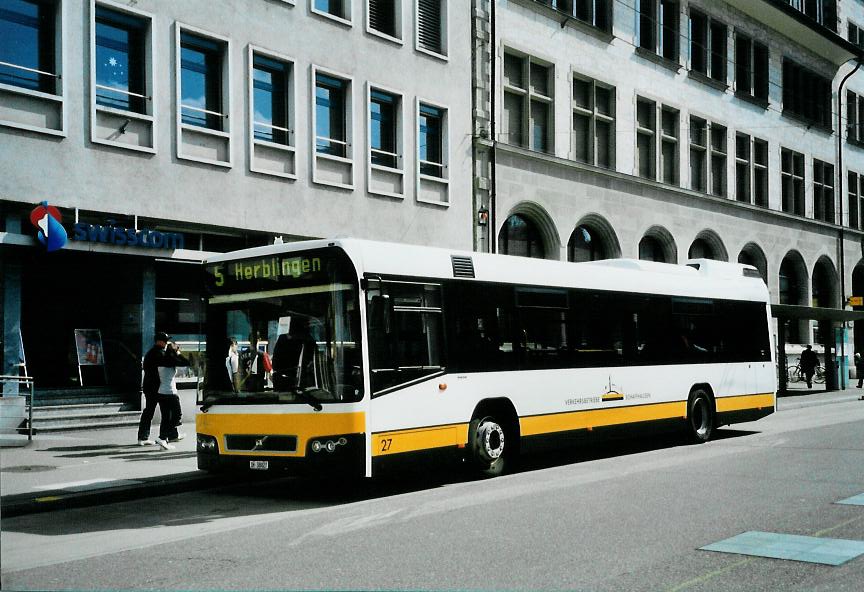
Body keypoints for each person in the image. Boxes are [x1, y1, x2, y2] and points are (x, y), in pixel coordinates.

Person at [137, 331, 174, 446]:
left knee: (149, 411)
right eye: (165, 341)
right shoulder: (160, 353)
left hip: (149, 386)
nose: (166, 343)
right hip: (159, 387)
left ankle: (143, 437)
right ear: (160, 341)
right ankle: (165, 436)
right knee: (167, 412)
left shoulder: (150, 353)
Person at [155, 339, 190, 450]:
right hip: (170, 392)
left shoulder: (162, 358)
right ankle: (164, 436)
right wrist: (178, 353)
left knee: (166, 417)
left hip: (161, 392)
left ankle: (164, 441)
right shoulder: (170, 360)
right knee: (177, 416)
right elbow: (186, 362)